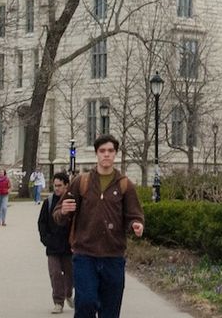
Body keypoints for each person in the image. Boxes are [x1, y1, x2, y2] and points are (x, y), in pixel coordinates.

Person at [52, 133, 144, 318]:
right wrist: (64, 211)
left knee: (110, 311)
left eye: (110, 151)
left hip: (113, 256)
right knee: (86, 302)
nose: (106, 155)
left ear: (115, 154)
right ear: (97, 154)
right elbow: (58, 213)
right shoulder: (81, 182)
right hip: (85, 255)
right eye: (102, 151)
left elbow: (134, 214)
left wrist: (136, 224)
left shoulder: (125, 185)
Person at [37, 170, 75, 313]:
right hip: (53, 246)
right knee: (55, 273)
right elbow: (42, 223)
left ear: (66, 186)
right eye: (55, 185)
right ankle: (58, 302)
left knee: (70, 274)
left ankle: (68, 294)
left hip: (69, 247)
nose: (57, 188)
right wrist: (46, 239)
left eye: (59, 185)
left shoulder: (72, 202)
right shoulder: (49, 202)